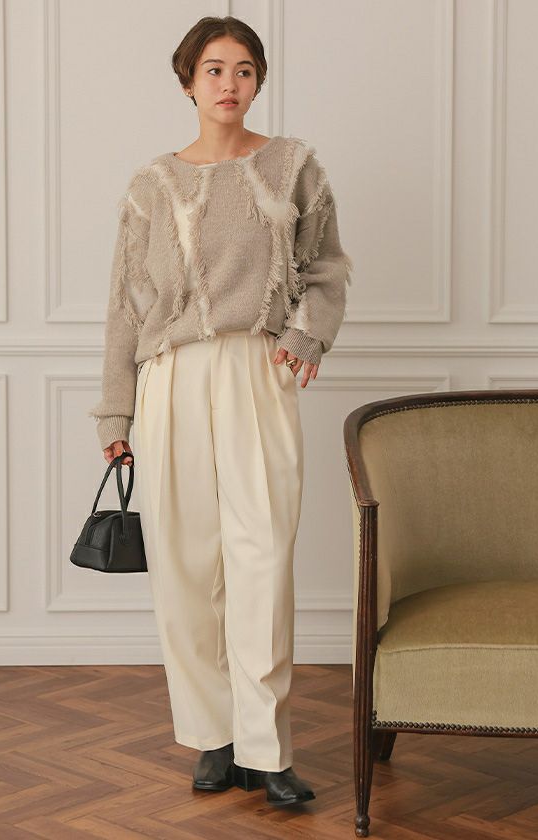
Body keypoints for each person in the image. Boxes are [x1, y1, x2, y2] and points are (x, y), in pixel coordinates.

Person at [88, 15, 352, 808]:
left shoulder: (293, 167)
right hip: (170, 378)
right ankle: (214, 738)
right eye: (213, 69)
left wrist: (305, 336)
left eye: (243, 69)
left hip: (254, 369)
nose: (228, 83)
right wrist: (115, 417)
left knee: (262, 555)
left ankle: (268, 750)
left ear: (258, 80)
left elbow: (326, 266)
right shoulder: (151, 185)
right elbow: (125, 308)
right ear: (188, 82)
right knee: (185, 563)